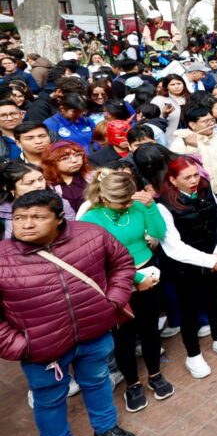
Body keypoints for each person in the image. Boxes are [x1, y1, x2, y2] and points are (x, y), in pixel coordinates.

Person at [0, 190, 140, 436]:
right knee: (48, 401)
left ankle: (105, 429)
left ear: (59, 219)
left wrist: (113, 301)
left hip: (94, 332)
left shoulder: (91, 234)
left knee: (99, 381)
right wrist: (19, 345)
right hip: (42, 350)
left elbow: (123, 264)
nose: (25, 224)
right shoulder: (2, 259)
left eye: (37, 217)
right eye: (20, 218)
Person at [78, 169, 174, 413]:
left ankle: (155, 375)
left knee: (151, 329)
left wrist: (151, 207)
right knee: (124, 337)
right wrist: (136, 278)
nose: (129, 204)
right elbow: (99, 262)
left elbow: (159, 233)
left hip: (150, 273)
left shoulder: (138, 207)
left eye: (131, 198)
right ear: (104, 198)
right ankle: (132, 384)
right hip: (117, 281)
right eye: (123, 201)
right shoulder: (91, 219)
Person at [157, 157, 217, 379]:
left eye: (196, 175)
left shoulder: (205, 190)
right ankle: (193, 355)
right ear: (173, 180)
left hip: (215, 259)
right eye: (187, 177)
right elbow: (173, 246)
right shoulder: (163, 205)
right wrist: (210, 260)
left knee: (214, 300)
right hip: (186, 268)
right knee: (189, 310)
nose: (194, 180)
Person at [169, 106, 217, 194]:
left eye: (212, 120)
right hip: (201, 194)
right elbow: (179, 169)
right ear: (192, 125)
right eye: (206, 121)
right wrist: (192, 147)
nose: (211, 123)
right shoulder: (180, 142)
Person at [41, 141, 92, 212]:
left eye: (77, 155)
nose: (74, 160)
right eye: (65, 158)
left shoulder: (93, 178)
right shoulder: (45, 185)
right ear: (51, 163)